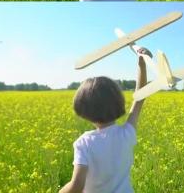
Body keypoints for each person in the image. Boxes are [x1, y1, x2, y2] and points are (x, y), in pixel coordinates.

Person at [59, 54, 148, 193]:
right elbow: (140, 97)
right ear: (118, 103)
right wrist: (142, 65)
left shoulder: (84, 143)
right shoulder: (127, 133)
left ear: (84, 110)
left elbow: (77, 186)